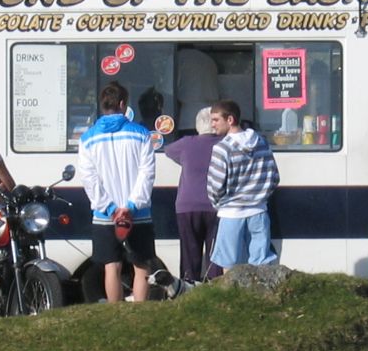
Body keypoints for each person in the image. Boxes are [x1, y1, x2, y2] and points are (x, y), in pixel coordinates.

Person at [78, 81, 156, 303]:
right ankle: (140, 315)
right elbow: (146, 173)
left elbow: (89, 179)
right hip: (138, 213)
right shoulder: (141, 134)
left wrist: (111, 209)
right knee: (141, 266)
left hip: (105, 216)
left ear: (102, 106)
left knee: (111, 267)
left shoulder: (87, 139)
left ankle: (116, 315)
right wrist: (130, 206)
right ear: (123, 104)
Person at [207, 100, 280, 271]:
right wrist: (261, 198)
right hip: (259, 212)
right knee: (261, 266)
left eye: (216, 120)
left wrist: (219, 204)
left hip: (231, 213)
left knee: (229, 267)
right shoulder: (261, 142)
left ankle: (233, 298)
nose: (212, 125)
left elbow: (215, 186)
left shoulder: (222, 148)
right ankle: (258, 297)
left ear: (230, 119)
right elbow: (274, 177)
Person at [164, 107, 223, 282]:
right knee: (216, 256)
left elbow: (167, 150)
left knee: (190, 255)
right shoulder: (226, 143)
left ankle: (189, 288)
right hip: (217, 206)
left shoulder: (186, 143)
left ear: (198, 126)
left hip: (187, 206)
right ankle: (216, 289)